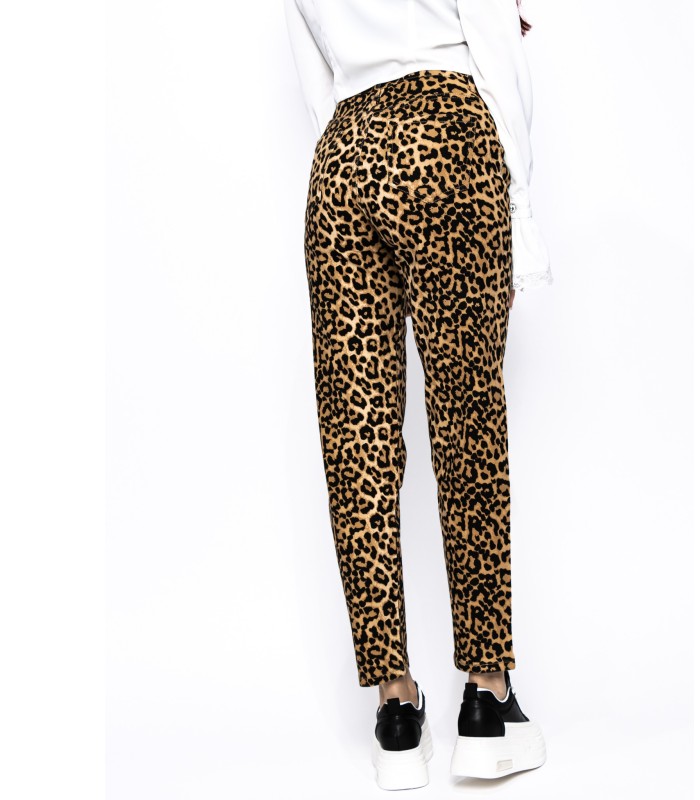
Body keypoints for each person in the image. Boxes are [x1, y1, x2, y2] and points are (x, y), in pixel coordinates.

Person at [283, 0, 551, 788]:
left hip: (342, 155)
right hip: (446, 132)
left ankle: (396, 711)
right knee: (467, 419)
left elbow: (313, 73)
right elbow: (494, 40)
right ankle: (487, 697)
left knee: (356, 436)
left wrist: (356, 148)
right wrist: (520, 213)